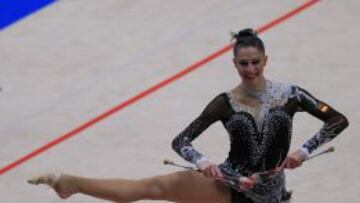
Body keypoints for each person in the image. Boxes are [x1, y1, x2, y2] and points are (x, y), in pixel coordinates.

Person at [28, 28, 349, 203]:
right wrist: (203, 163)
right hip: (230, 185)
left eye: (255, 62)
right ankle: (67, 182)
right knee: (150, 188)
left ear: (266, 60)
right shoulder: (225, 103)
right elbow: (181, 140)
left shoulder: (291, 94)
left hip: (270, 193)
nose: (250, 69)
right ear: (234, 64)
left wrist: (302, 152)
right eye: (243, 63)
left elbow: (337, 119)